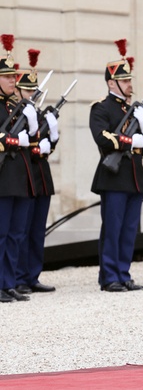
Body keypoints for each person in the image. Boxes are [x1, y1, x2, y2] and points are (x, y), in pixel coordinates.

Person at [89, 39, 143, 292]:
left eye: (129, 80)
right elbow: (102, 137)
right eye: (124, 80)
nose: (129, 84)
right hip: (113, 176)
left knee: (129, 229)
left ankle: (123, 273)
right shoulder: (101, 108)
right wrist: (129, 141)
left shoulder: (133, 109)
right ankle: (109, 276)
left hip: (134, 176)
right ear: (111, 83)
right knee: (112, 229)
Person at [15, 49, 58, 295]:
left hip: (41, 176)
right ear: (18, 91)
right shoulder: (17, 113)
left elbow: (46, 145)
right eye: (27, 90)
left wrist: (53, 138)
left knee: (37, 230)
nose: (32, 94)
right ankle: (19, 277)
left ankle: (33, 275)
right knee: (21, 230)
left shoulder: (37, 113)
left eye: (33, 90)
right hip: (25, 176)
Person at [0, 34, 36, 303]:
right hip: (2, 178)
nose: (13, 80)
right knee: (1, 234)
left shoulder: (17, 105)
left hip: (21, 177)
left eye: (14, 76)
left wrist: (33, 127)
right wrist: (13, 140)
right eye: (7, 76)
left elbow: (33, 139)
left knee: (15, 235)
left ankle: (9, 283)